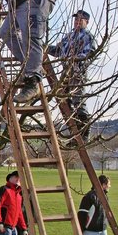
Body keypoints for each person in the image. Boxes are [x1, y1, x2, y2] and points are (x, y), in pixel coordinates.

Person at [47, 10, 96, 141]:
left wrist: (75, 60)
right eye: (75, 20)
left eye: (80, 20)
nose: (77, 22)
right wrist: (44, 47)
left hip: (77, 71)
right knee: (62, 97)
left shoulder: (88, 37)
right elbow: (57, 50)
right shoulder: (69, 36)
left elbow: (90, 54)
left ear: (86, 22)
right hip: (66, 72)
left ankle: (85, 132)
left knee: (78, 100)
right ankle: (74, 130)